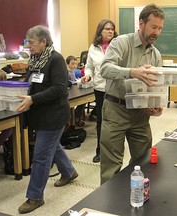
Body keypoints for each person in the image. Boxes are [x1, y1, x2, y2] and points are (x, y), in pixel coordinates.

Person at [99, 4, 164, 184]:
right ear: (141, 23)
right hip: (116, 110)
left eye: (160, 28)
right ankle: (108, 207)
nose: (157, 32)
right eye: (153, 27)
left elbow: (154, 87)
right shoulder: (122, 43)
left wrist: (155, 106)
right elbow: (105, 68)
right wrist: (132, 72)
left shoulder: (155, 54)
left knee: (143, 163)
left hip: (140, 115)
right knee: (111, 167)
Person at [17, 25, 78, 214]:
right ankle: (69, 172)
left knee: (41, 156)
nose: (29, 47)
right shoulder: (35, 59)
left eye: (32, 43)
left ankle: (35, 197)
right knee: (53, 147)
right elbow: (32, 82)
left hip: (54, 116)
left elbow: (60, 88)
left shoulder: (56, 59)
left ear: (43, 42)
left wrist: (33, 99)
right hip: (40, 114)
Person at [81, 19, 118, 163]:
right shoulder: (93, 47)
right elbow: (89, 66)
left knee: (114, 121)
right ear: (100, 31)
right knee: (101, 121)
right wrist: (88, 75)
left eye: (112, 29)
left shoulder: (118, 45)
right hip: (99, 89)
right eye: (107, 29)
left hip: (115, 88)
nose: (110, 31)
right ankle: (100, 151)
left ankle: (113, 149)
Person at [66, 55, 85, 127]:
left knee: (83, 101)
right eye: (72, 64)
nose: (75, 66)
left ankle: (77, 117)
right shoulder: (66, 72)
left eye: (76, 64)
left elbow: (73, 80)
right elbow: (68, 82)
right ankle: (71, 121)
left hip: (74, 90)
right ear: (68, 64)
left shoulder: (72, 71)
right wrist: (75, 82)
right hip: (68, 93)